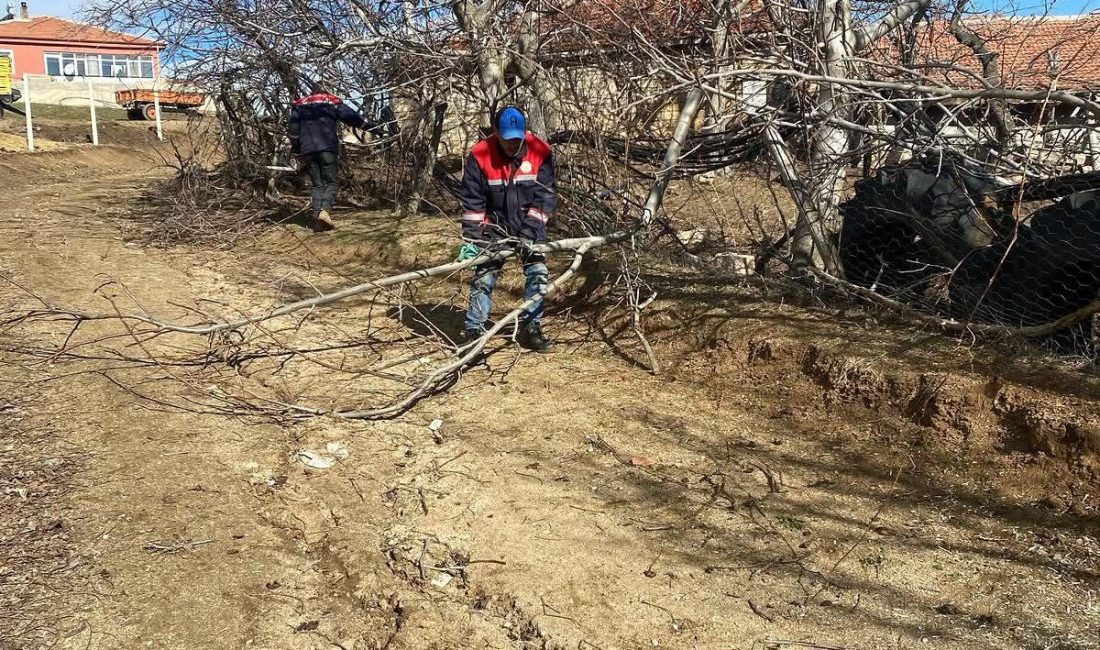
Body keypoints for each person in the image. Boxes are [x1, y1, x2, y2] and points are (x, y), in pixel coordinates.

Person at [457, 105, 557, 352]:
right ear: (495, 132)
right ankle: (474, 331)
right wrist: (472, 238)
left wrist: (528, 232)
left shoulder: (539, 151)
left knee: (538, 273)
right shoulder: (480, 155)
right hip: (494, 228)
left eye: (517, 139)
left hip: (530, 227)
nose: (513, 145)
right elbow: (473, 201)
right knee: (484, 278)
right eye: (507, 139)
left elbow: (545, 198)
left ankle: (531, 327)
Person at [288, 82, 367, 231]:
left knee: (318, 185)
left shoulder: (299, 105)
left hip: (308, 150)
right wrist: (369, 127)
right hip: (327, 148)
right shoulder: (331, 101)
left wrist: (297, 149)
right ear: (326, 89)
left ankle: (318, 222)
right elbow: (351, 117)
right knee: (332, 183)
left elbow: (293, 130)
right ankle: (324, 212)